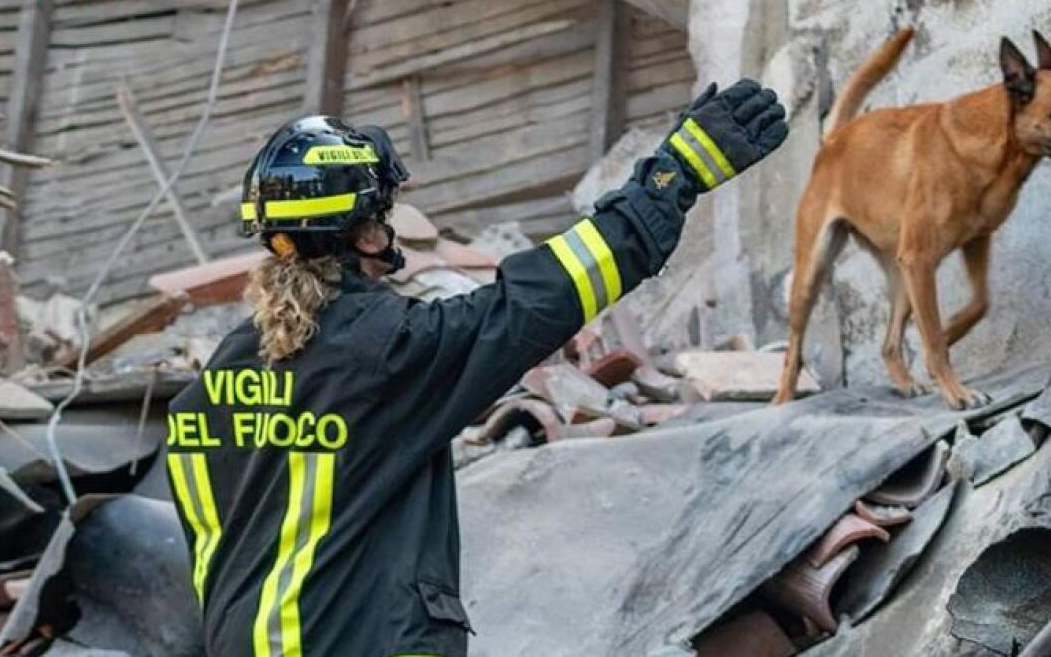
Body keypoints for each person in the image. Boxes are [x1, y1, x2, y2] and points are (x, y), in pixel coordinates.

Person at [164, 79, 788, 657]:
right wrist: (671, 178)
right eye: (380, 218)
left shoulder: (216, 380)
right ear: (361, 234)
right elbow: (539, 298)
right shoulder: (385, 352)